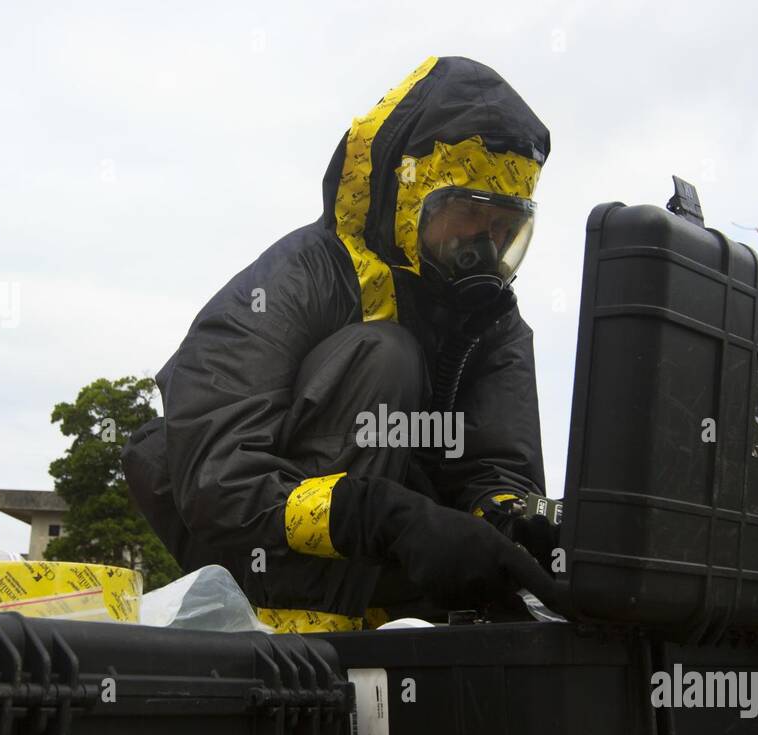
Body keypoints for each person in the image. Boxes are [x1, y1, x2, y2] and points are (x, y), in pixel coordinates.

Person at [123, 55, 560, 633]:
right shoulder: (303, 277)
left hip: (386, 560)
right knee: (388, 355)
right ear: (410, 199)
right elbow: (220, 476)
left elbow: (500, 465)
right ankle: (304, 637)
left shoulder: (496, 322)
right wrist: (377, 515)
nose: (486, 244)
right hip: (250, 544)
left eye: (505, 226)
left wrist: (513, 521)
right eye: (468, 216)